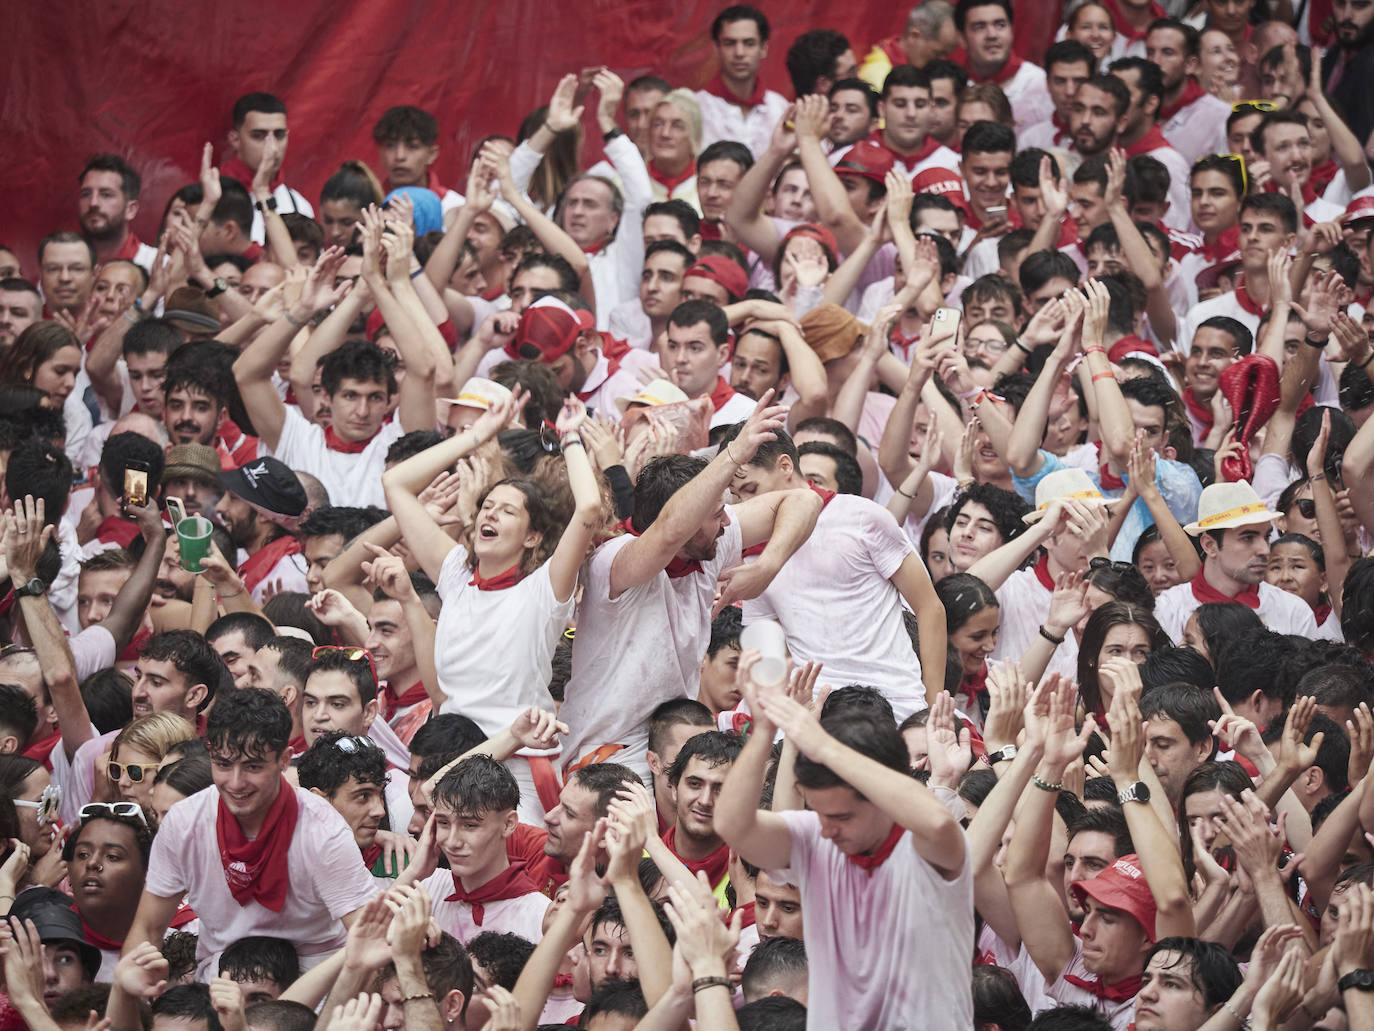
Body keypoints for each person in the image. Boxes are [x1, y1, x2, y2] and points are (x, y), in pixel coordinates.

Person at [558, 393, 821, 784]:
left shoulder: (713, 539)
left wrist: (768, 564)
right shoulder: (614, 559)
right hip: (602, 756)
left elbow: (804, 500)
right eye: (716, 515)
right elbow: (668, 533)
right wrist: (730, 456)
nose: (729, 524)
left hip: (672, 745)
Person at [382, 393, 600, 822]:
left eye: (507, 512)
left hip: (514, 772)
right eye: (487, 506)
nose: (491, 514)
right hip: (445, 765)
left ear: (533, 537)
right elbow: (395, 485)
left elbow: (589, 507)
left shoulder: (544, 590)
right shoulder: (455, 576)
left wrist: (571, 438)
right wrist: (477, 435)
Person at [717, 671, 972, 1030]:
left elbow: (938, 823)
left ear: (882, 797)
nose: (824, 828)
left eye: (841, 816)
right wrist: (763, 731)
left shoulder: (925, 845)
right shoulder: (816, 837)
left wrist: (823, 746)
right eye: (818, 812)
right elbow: (732, 824)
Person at [125, 687, 378, 979]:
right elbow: (147, 929)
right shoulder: (184, 822)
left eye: (252, 767)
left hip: (314, 976)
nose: (235, 783)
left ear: (284, 760)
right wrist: (134, 991)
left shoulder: (324, 831)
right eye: (223, 764)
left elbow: (368, 938)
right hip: (221, 976)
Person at [723, 424, 947, 714]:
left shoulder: (861, 516)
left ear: (785, 465)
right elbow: (771, 650)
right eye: (736, 496)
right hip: (813, 713)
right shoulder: (752, 553)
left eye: (751, 489)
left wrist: (932, 709)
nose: (746, 504)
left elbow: (930, 608)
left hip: (896, 704)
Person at [1154, 481, 1320, 640]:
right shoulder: (1168, 610)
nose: (1265, 550)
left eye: (1267, 536)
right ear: (1209, 545)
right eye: (1248, 538)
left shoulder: (1294, 611)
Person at [412, 756, 548, 942]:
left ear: (509, 824)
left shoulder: (539, 916)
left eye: (469, 825)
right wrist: (412, 872)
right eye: (443, 823)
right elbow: (365, 947)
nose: (452, 842)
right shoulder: (426, 887)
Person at [694, 5, 790, 158]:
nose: (739, 53)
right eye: (730, 43)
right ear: (716, 49)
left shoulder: (780, 109)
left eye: (749, 43)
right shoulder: (695, 109)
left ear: (764, 48)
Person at [219, 92, 314, 244]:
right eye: (258, 136)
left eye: (279, 135)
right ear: (235, 139)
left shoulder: (298, 205)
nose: (272, 147)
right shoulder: (211, 197)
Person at [659, 299, 758, 428]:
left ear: (722, 355)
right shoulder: (649, 404)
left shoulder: (748, 416)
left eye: (694, 348)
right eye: (673, 346)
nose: (680, 358)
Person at [954, 0, 1052, 132]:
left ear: (1012, 30)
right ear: (961, 38)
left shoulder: (1039, 84)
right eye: (979, 27)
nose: (992, 35)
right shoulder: (954, 85)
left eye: (1000, 25)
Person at [78, 154, 157, 271]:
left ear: (130, 210)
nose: (93, 203)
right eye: (86, 194)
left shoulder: (156, 265)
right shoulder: (62, 263)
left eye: (106, 194)